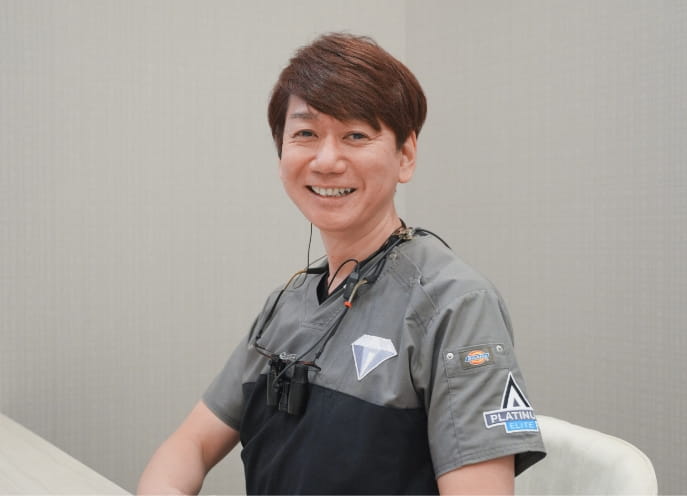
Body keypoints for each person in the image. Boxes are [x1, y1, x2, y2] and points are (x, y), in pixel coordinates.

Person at [138, 32, 546, 495]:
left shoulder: (454, 305)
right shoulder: (288, 303)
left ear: (405, 155)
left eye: (355, 135)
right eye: (305, 134)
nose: (327, 160)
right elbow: (190, 444)